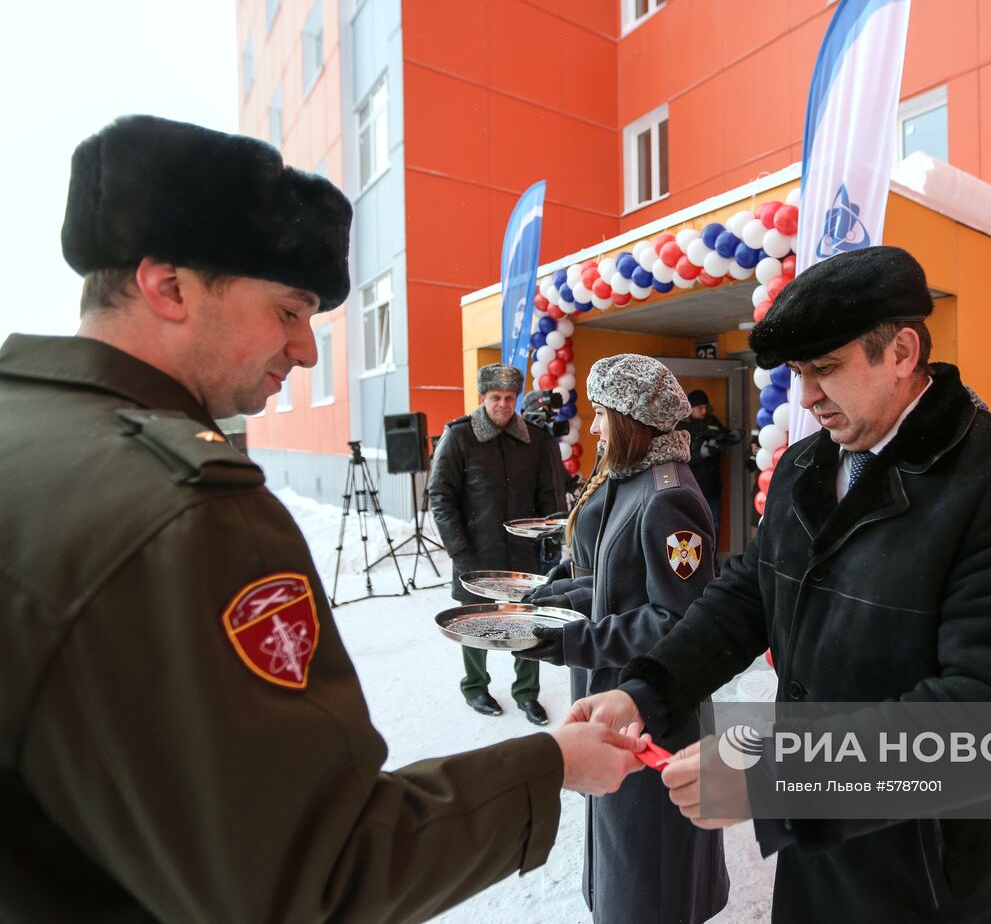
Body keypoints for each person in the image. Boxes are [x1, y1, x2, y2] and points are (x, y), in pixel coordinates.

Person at [0, 115, 645, 922]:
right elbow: (317, 869)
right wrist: (548, 767)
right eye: (288, 311)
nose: (306, 351)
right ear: (168, 287)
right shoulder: (191, 513)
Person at [570, 245, 991, 922]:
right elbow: (750, 593)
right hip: (818, 853)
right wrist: (648, 686)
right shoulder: (808, 464)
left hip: (930, 873)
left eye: (826, 369)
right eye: (796, 372)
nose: (806, 396)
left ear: (903, 352)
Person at [515, 354, 730, 924]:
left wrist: (571, 642)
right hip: (617, 694)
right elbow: (613, 587)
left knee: (648, 873)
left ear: (631, 419)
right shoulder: (630, 480)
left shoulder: (668, 497)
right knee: (621, 855)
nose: (594, 427)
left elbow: (676, 620)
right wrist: (550, 609)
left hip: (652, 710)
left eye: (602, 414)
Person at [429, 363, 565, 724]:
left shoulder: (536, 439)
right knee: (475, 621)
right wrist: (460, 551)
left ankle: (527, 693)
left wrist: (551, 543)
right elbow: (440, 496)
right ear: (483, 398)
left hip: (525, 554)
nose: (503, 404)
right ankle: (475, 687)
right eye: (495, 398)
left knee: (529, 625)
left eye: (509, 398)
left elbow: (551, 495)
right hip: (477, 552)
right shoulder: (459, 436)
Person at [677, 388, 741, 529]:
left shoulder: (712, 421)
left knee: (714, 526)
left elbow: (723, 438)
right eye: (700, 408)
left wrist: (732, 437)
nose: (704, 411)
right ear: (690, 407)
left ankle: (712, 552)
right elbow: (679, 457)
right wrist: (701, 454)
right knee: (693, 526)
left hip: (712, 486)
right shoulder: (682, 427)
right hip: (692, 486)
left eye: (706, 407)